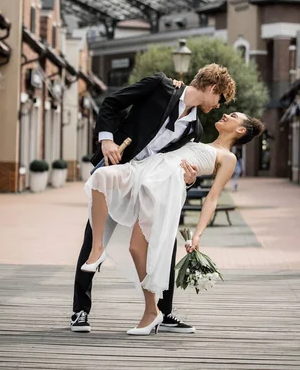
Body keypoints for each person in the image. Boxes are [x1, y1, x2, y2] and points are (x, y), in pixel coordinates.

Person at [71, 64, 236, 334]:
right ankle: (80, 311)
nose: (218, 106)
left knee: (166, 241)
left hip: (152, 187)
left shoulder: (195, 129)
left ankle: (164, 312)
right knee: (93, 241)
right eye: (220, 99)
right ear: (213, 88)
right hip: (120, 172)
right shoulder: (160, 86)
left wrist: (189, 178)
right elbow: (111, 103)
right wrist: (106, 140)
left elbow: (178, 165)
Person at [84, 111, 264, 335]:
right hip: (148, 171)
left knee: (136, 248)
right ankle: (98, 248)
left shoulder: (228, 158)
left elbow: (213, 197)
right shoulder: (198, 141)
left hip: (163, 189)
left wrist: (197, 235)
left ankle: (151, 311)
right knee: (100, 178)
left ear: (241, 130)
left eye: (234, 115)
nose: (226, 114)